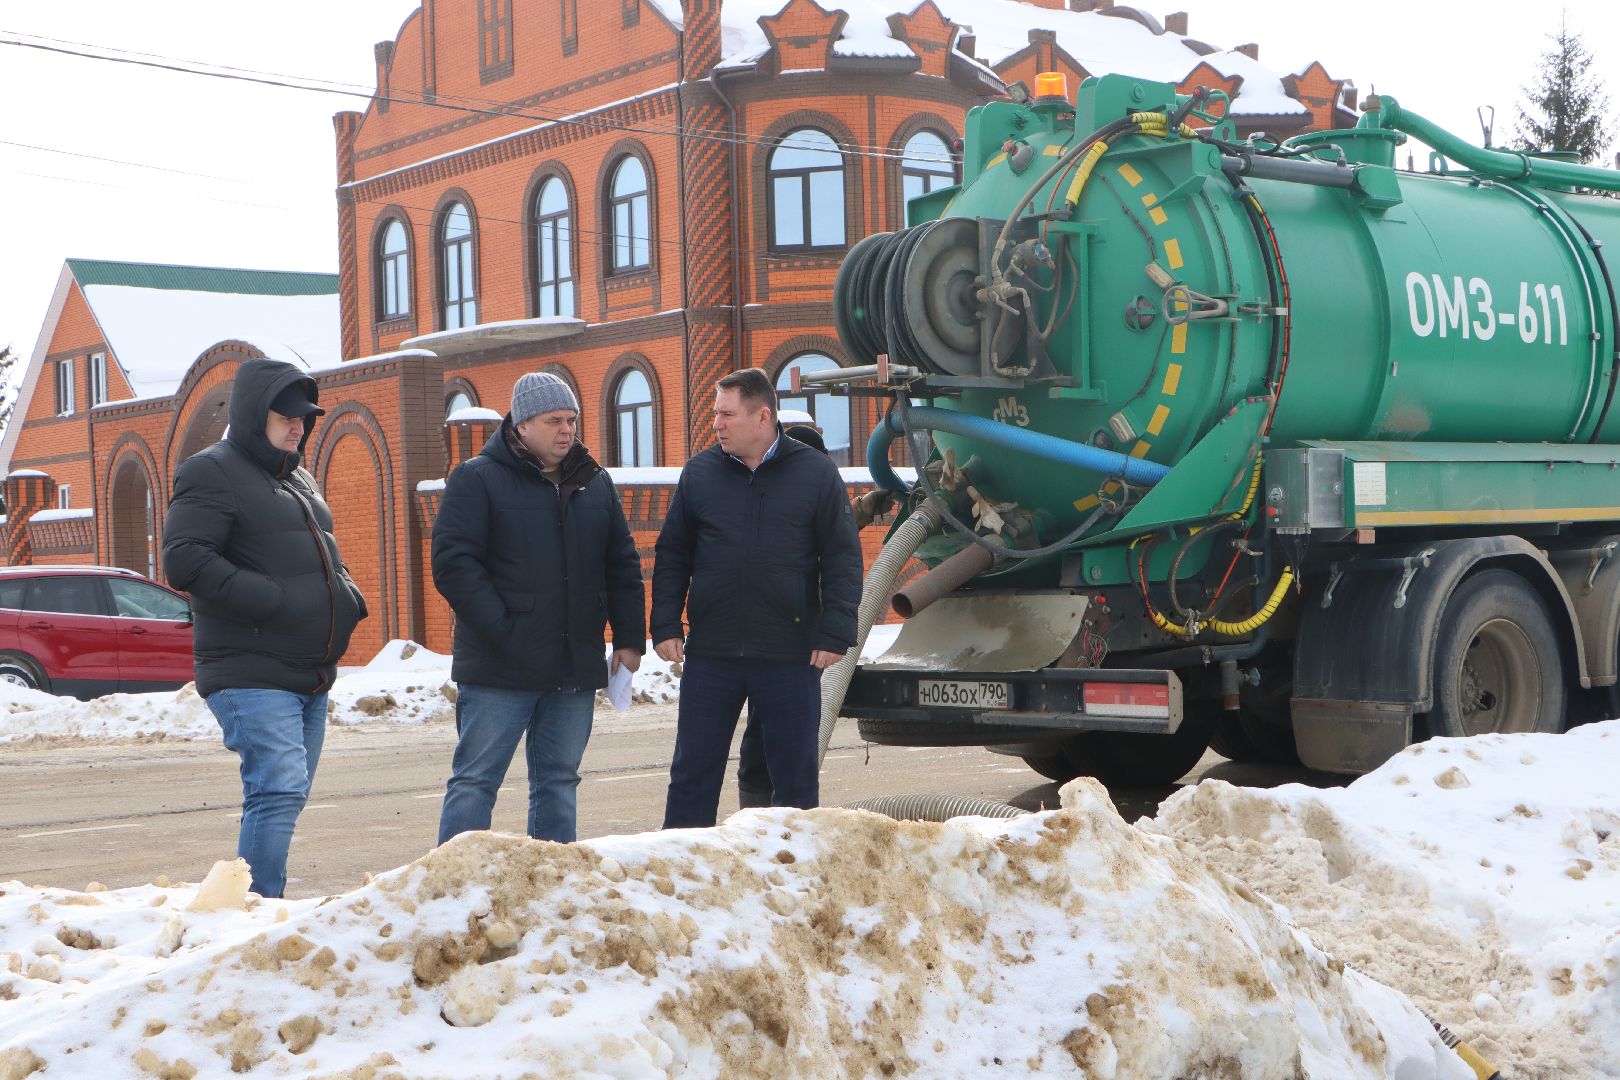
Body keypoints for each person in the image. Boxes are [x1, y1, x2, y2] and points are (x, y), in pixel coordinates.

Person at [162, 358, 368, 899]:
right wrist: (270, 600)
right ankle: (254, 912)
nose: (298, 426)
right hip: (249, 667)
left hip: (307, 670)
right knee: (276, 789)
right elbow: (185, 561)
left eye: (304, 417)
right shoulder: (212, 470)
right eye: (286, 416)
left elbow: (323, 554)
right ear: (256, 414)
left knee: (288, 793)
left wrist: (346, 597)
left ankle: (253, 902)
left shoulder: (297, 475)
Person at [432, 371, 644, 845]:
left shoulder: (595, 483)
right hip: (499, 668)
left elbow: (622, 565)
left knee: (558, 782)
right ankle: (454, 888)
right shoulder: (477, 478)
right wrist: (506, 632)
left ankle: (553, 885)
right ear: (523, 424)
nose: (567, 430)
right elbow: (454, 566)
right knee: (475, 781)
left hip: (573, 664)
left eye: (572, 420)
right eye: (554, 421)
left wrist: (629, 638)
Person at [653, 367, 864, 827]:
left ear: (762, 416)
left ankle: (793, 874)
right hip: (713, 653)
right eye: (715, 414)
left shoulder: (815, 474)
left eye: (727, 414)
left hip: (790, 654)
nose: (717, 424)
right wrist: (666, 623)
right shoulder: (700, 473)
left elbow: (842, 558)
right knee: (692, 774)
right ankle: (683, 877)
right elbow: (673, 553)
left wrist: (835, 630)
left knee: (794, 781)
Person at [732, 419, 894, 809]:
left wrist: (865, 507)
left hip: (802, 636)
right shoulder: (776, 491)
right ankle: (765, 814)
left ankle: (775, 814)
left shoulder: (806, 488)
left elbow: (828, 531)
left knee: (778, 730)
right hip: (782, 634)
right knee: (773, 731)